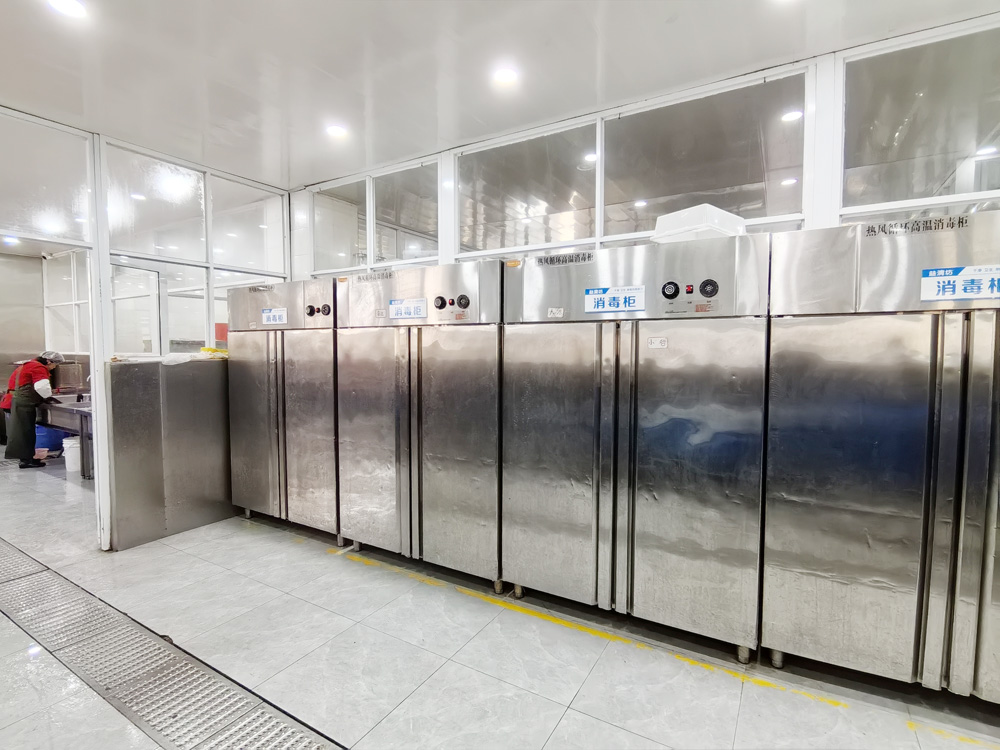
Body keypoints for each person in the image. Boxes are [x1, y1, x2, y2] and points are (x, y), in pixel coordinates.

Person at [4, 351, 65, 469]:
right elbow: (41, 386)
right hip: (23, 402)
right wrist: (48, 396)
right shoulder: (39, 367)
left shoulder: (30, 364)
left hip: (18, 401)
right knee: (24, 432)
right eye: (55, 364)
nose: (54, 367)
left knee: (24, 431)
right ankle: (26, 461)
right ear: (49, 361)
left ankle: (27, 458)